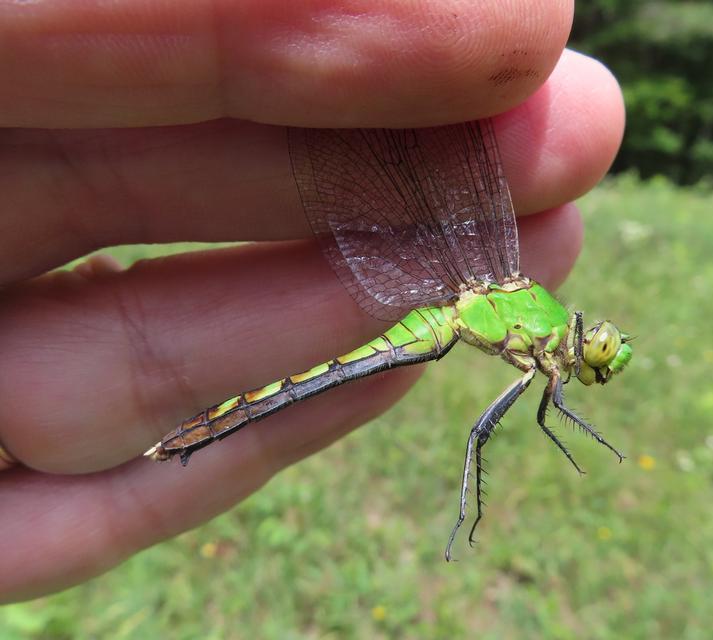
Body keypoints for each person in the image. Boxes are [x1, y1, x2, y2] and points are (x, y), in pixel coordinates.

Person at [0, 1, 625, 602]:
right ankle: (469, 513)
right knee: (477, 437)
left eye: (599, 354)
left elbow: (551, 414)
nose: (593, 356)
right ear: (575, 339)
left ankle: (466, 515)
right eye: (598, 348)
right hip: (447, 310)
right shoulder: (539, 334)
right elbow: (504, 427)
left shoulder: (544, 357)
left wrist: (585, 434)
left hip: (453, 304)